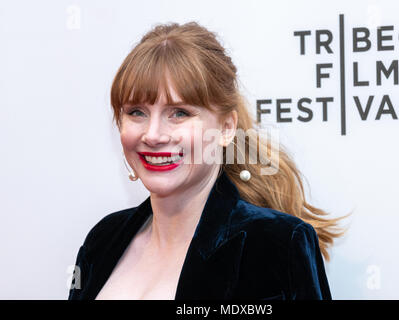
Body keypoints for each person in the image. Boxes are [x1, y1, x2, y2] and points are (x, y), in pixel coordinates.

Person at [68, 21, 347, 300]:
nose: (153, 135)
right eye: (137, 112)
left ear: (226, 128)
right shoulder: (102, 241)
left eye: (179, 113)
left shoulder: (276, 245)